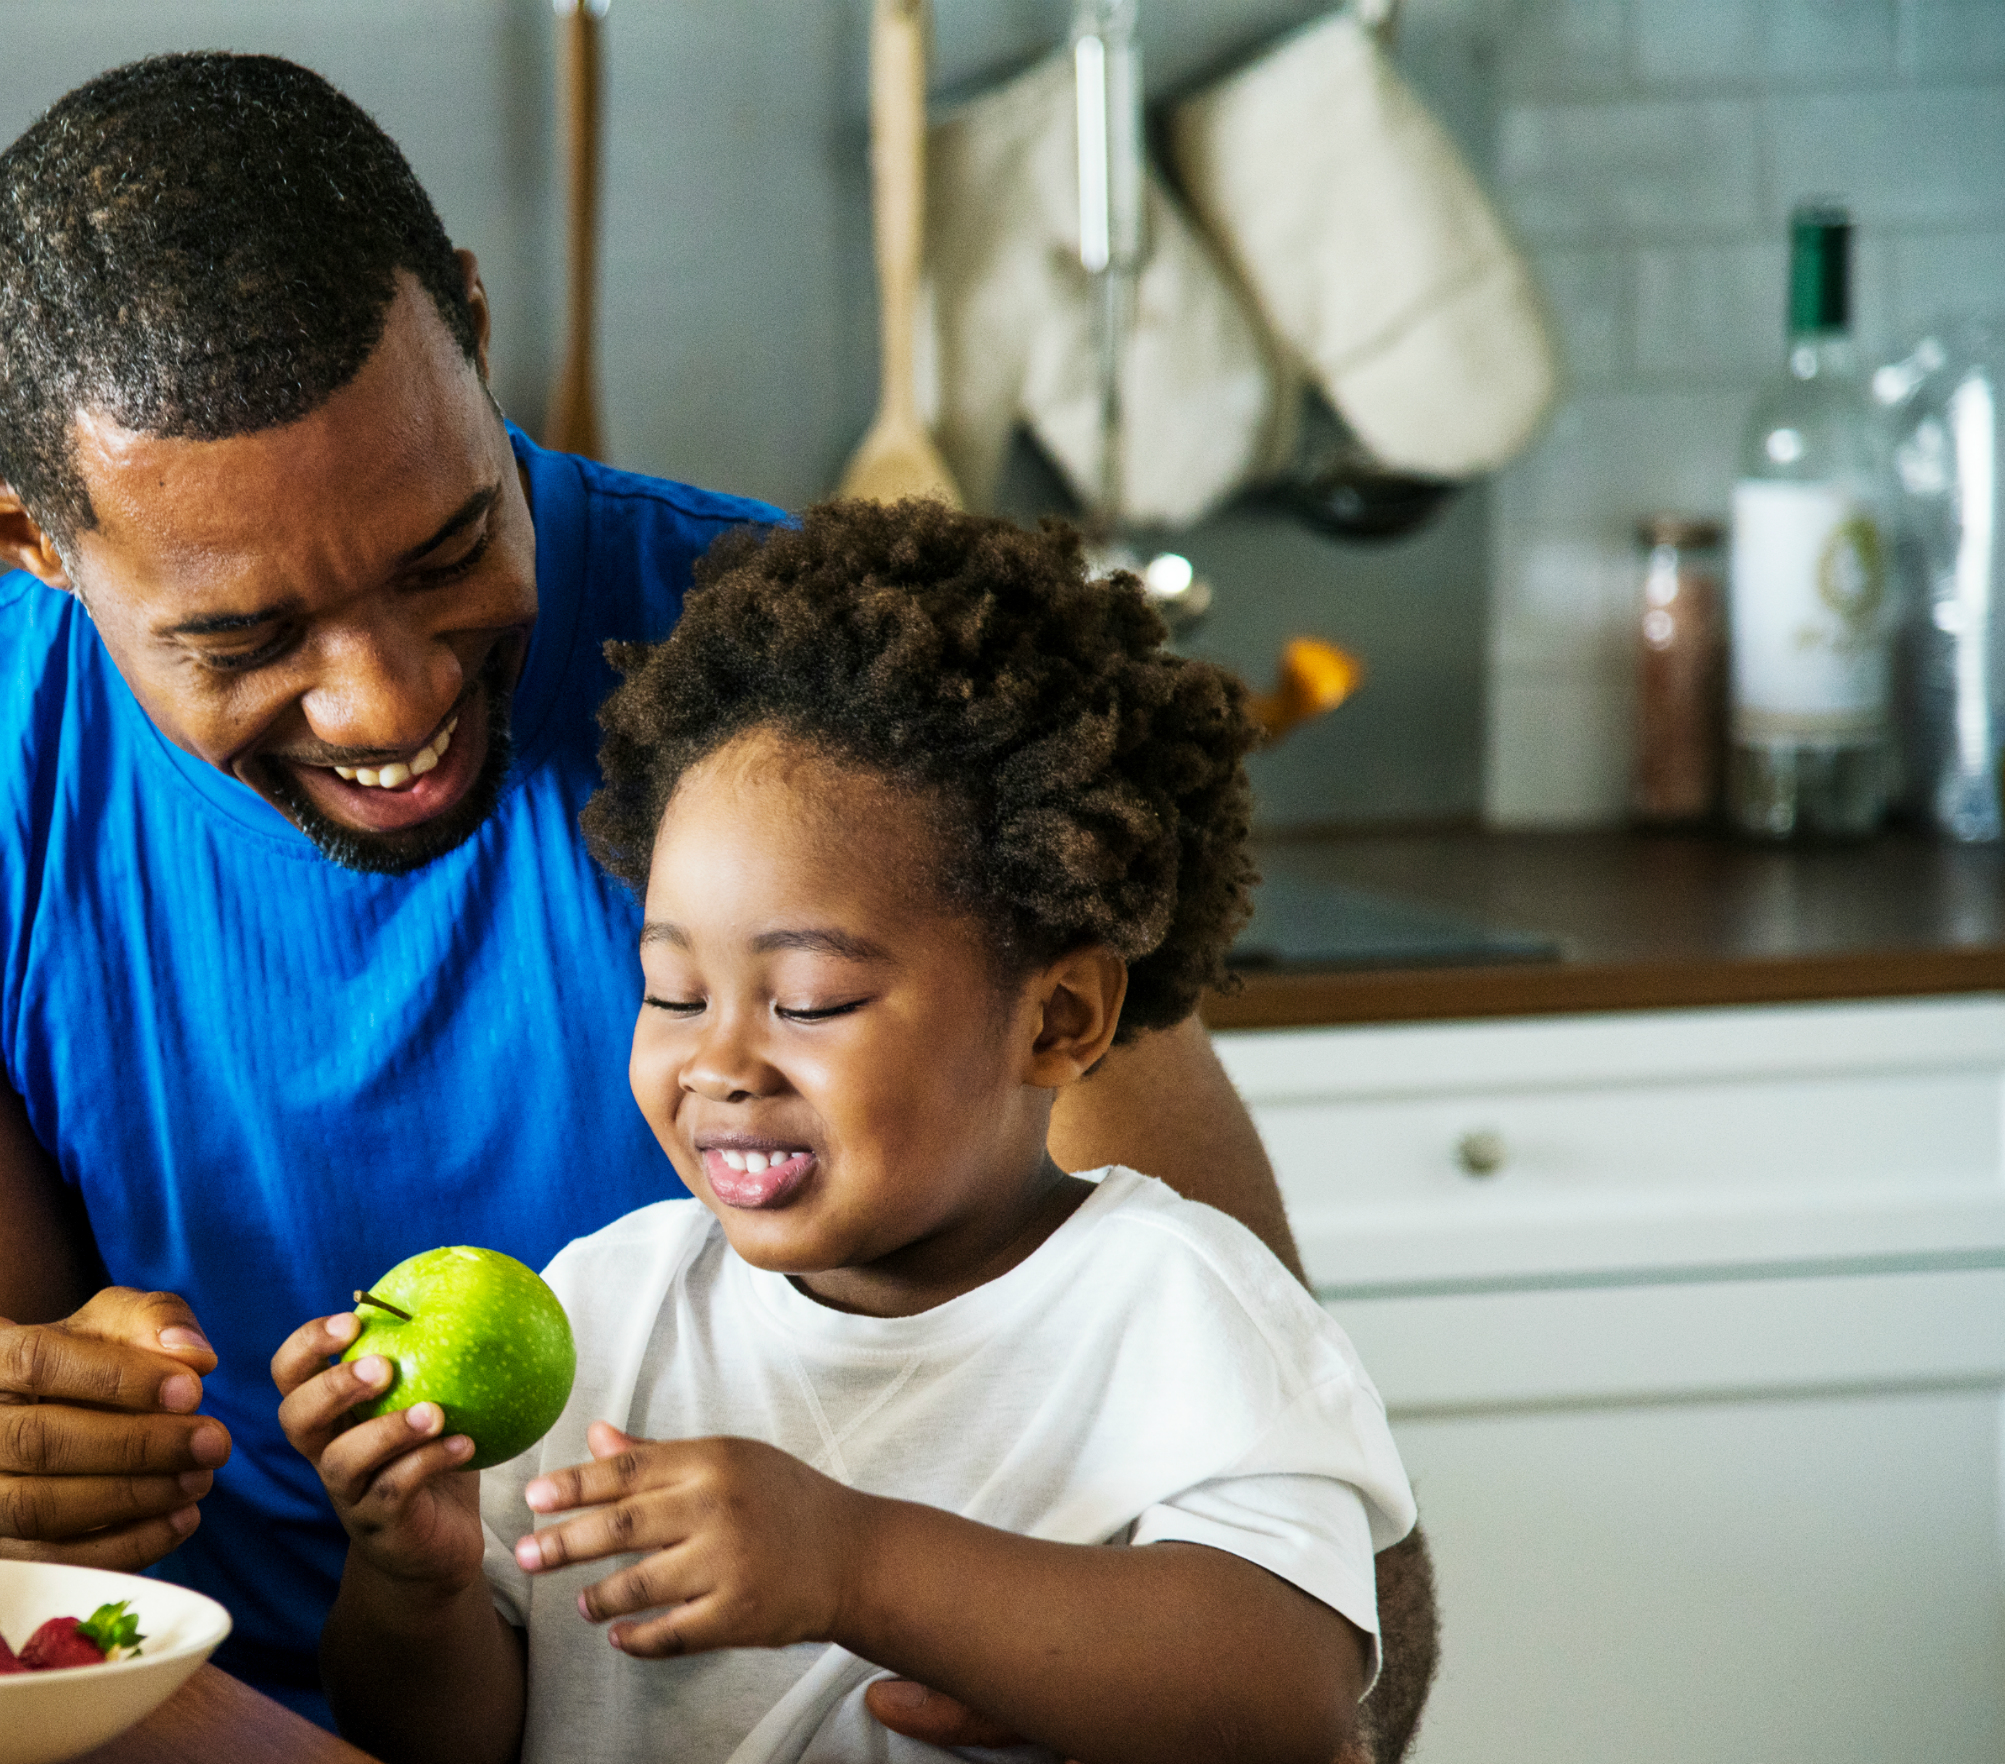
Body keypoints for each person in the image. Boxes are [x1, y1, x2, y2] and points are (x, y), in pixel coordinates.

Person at [0, 49, 1436, 1754]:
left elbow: (1329, 1600)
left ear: (472, 327)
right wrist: (21, 1438)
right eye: (246, 637)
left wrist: (903, 1579)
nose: (386, 701)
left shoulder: (835, 724)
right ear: (26, 535)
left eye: (443, 547)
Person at [273, 501, 1414, 1764]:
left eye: (809, 1000)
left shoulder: (1174, 1307)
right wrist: (416, 1586)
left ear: (1059, 1017)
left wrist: (855, 1565)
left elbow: (1284, 1699)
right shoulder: (608, 1307)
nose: (717, 1062)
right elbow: (444, 1741)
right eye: (671, 990)